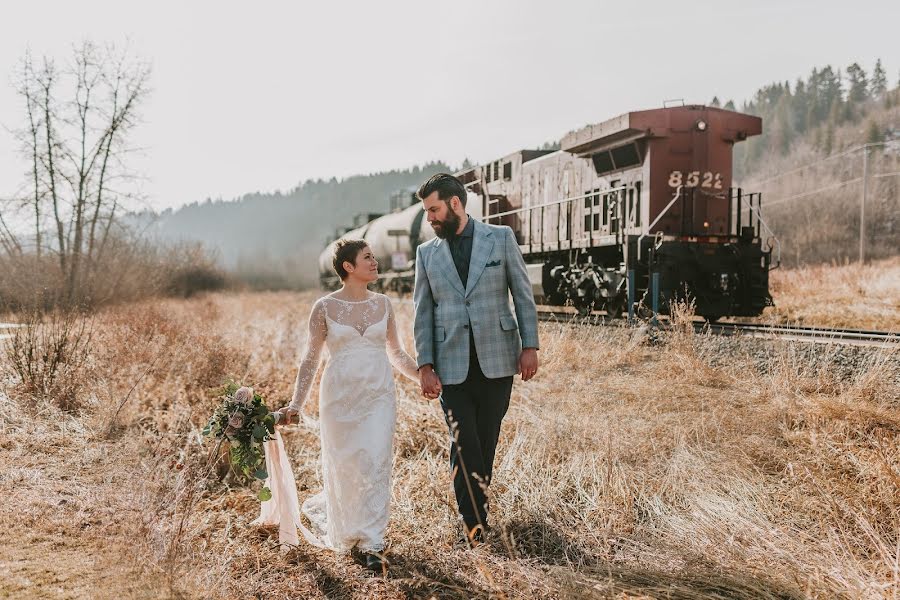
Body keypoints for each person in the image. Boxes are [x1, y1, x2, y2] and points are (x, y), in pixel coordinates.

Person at [269, 239, 421, 573]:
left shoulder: (384, 304)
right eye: (367, 257)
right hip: (339, 396)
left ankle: (373, 541)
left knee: (376, 460)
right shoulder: (323, 307)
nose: (375, 261)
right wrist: (295, 404)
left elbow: (396, 353)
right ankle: (350, 527)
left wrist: (423, 377)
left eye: (373, 256)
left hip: (379, 394)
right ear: (348, 267)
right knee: (347, 463)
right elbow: (310, 360)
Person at [412, 173, 539, 546]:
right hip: (450, 365)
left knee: (486, 440)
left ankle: (477, 512)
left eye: (434, 209)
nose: (429, 218)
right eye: (426, 211)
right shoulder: (426, 253)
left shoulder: (500, 238)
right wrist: (424, 365)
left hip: (499, 360)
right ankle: (474, 526)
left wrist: (530, 345)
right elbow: (422, 312)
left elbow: (523, 294)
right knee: (464, 440)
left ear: (455, 204)